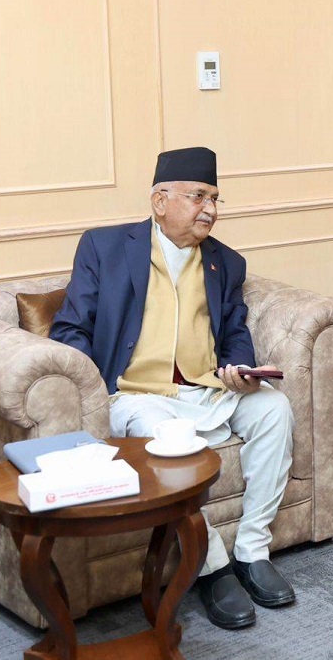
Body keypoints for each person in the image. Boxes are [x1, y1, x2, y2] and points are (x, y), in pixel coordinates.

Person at [50, 147, 295, 630]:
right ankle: (213, 566)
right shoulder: (104, 247)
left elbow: (234, 330)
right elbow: (71, 328)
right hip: (136, 395)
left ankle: (251, 548)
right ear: (160, 200)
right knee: (164, 438)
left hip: (204, 390)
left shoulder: (226, 261)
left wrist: (238, 368)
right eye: (199, 196)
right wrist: (86, 391)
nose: (211, 209)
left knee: (275, 410)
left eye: (216, 199)